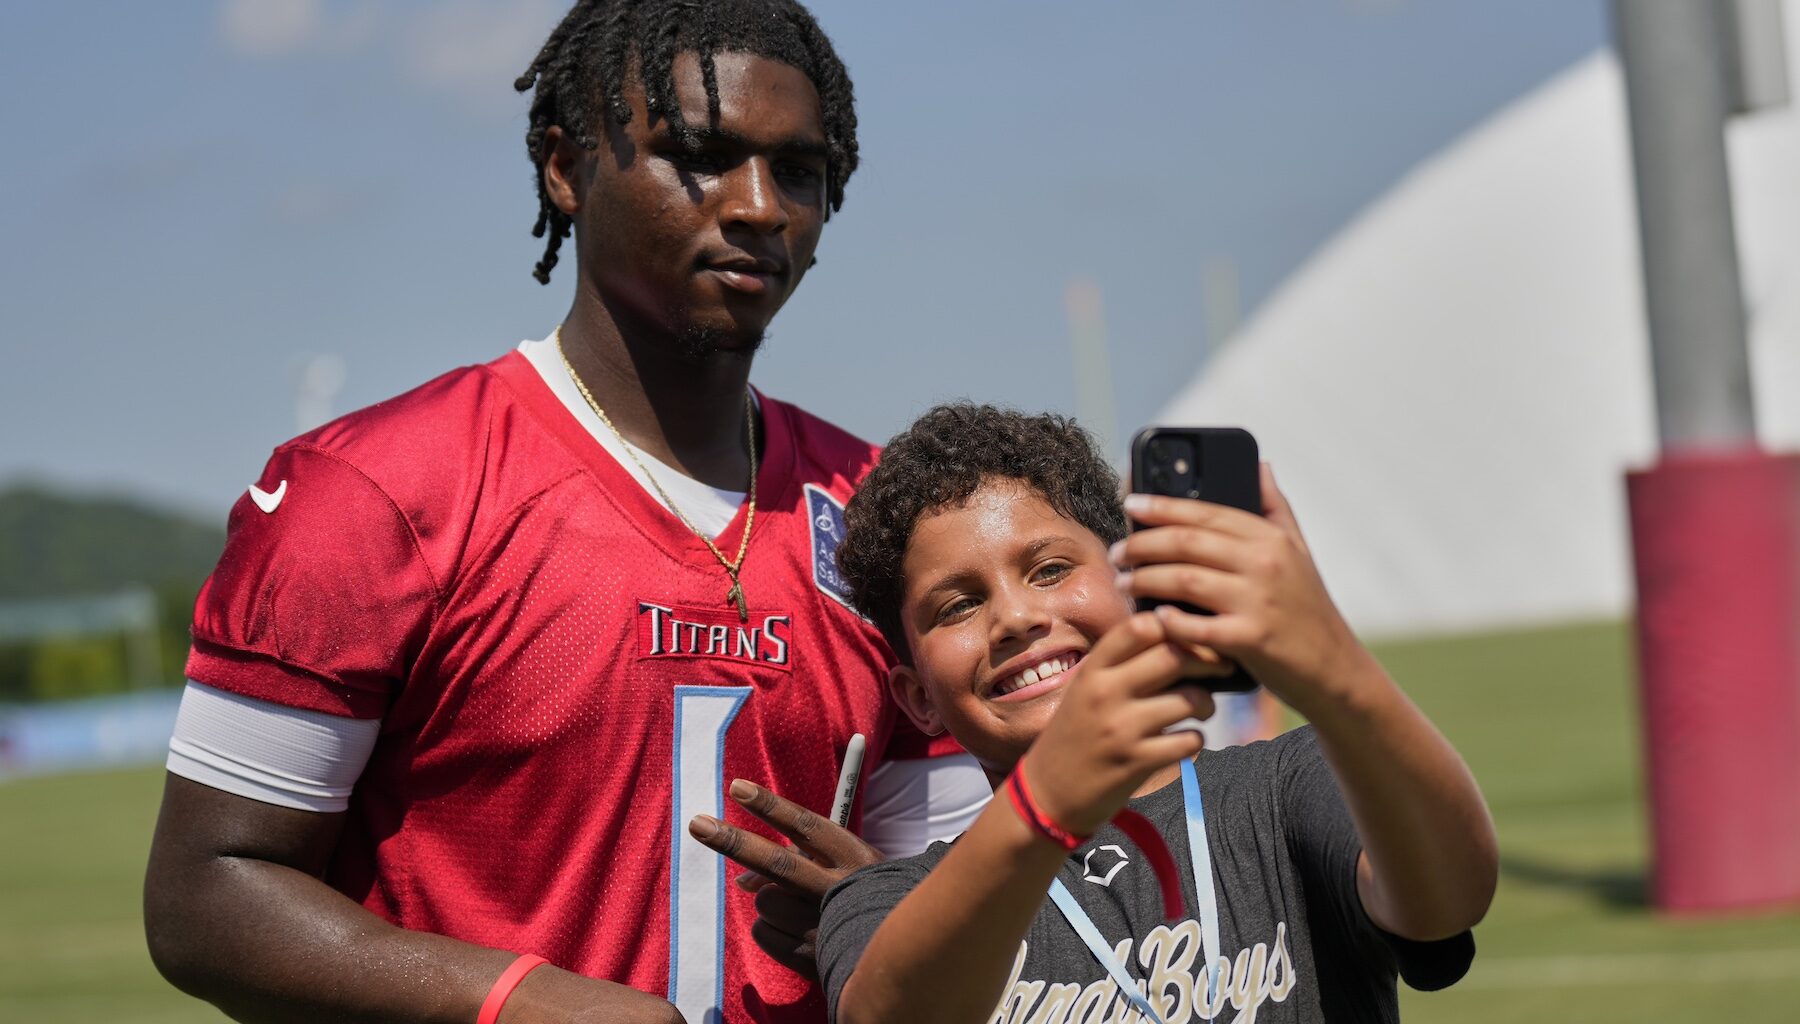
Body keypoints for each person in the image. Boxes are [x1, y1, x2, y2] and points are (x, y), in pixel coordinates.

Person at [141, 4, 986, 1023]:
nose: (761, 206)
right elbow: (204, 894)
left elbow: (950, 910)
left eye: (798, 171)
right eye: (702, 156)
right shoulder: (378, 488)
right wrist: (522, 1000)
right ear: (563, 166)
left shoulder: (883, 512)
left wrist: (883, 914)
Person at [794, 403, 1497, 1023]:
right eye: (960, 605)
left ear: (1134, 585)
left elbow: (1450, 898)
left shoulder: (1287, 787)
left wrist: (1333, 665)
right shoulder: (889, 899)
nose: (1015, 616)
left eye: (1050, 570)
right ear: (918, 698)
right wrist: (1045, 806)